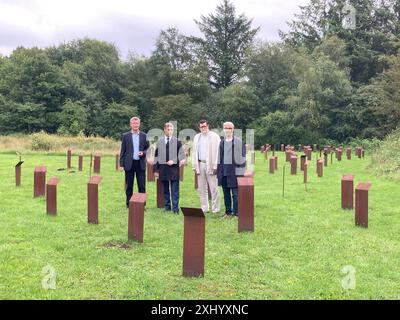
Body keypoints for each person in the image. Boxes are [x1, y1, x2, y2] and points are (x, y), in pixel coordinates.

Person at [153, 123, 186, 214]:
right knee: (165, 190)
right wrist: (155, 170)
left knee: (175, 191)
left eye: (171, 129)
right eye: (168, 129)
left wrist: (174, 161)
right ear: (164, 130)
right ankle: (167, 207)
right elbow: (156, 156)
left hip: (174, 170)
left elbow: (182, 156)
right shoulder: (160, 141)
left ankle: (175, 209)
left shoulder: (177, 141)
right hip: (163, 169)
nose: (170, 131)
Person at [217, 122, 246, 218]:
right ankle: (228, 212)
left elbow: (242, 160)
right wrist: (219, 172)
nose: (226, 130)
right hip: (224, 172)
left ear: (232, 129)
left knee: (235, 194)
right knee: (226, 194)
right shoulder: (222, 142)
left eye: (228, 128)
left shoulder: (238, 142)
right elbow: (219, 158)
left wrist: (240, 174)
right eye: (225, 128)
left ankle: (236, 213)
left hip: (234, 173)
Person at [192, 119, 221, 213]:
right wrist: (194, 165)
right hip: (200, 163)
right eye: (201, 127)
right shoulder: (197, 137)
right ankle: (204, 208)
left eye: (204, 126)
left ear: (208, 126)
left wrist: (216, 164)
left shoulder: (214, 136)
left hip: (211, 164)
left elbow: (218, 151)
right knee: (201, 188)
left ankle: (215, 208)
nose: (203, 128)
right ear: (199, 127)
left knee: (214, 188)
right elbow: (194, 152)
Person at [120, 117, 149, 208]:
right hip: (129, 164)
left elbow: (148, 149)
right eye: (134, 123)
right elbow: (123, 151)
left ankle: (142, 205)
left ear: (139, 124)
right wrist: (121, 164)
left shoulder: (144, 136)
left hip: (140, 164)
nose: (135, 125)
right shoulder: (126, 136)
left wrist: (143, 153)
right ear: (130, 124)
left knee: (142, 185)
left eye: (137, 123)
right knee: (129, 186)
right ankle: (129, 204)